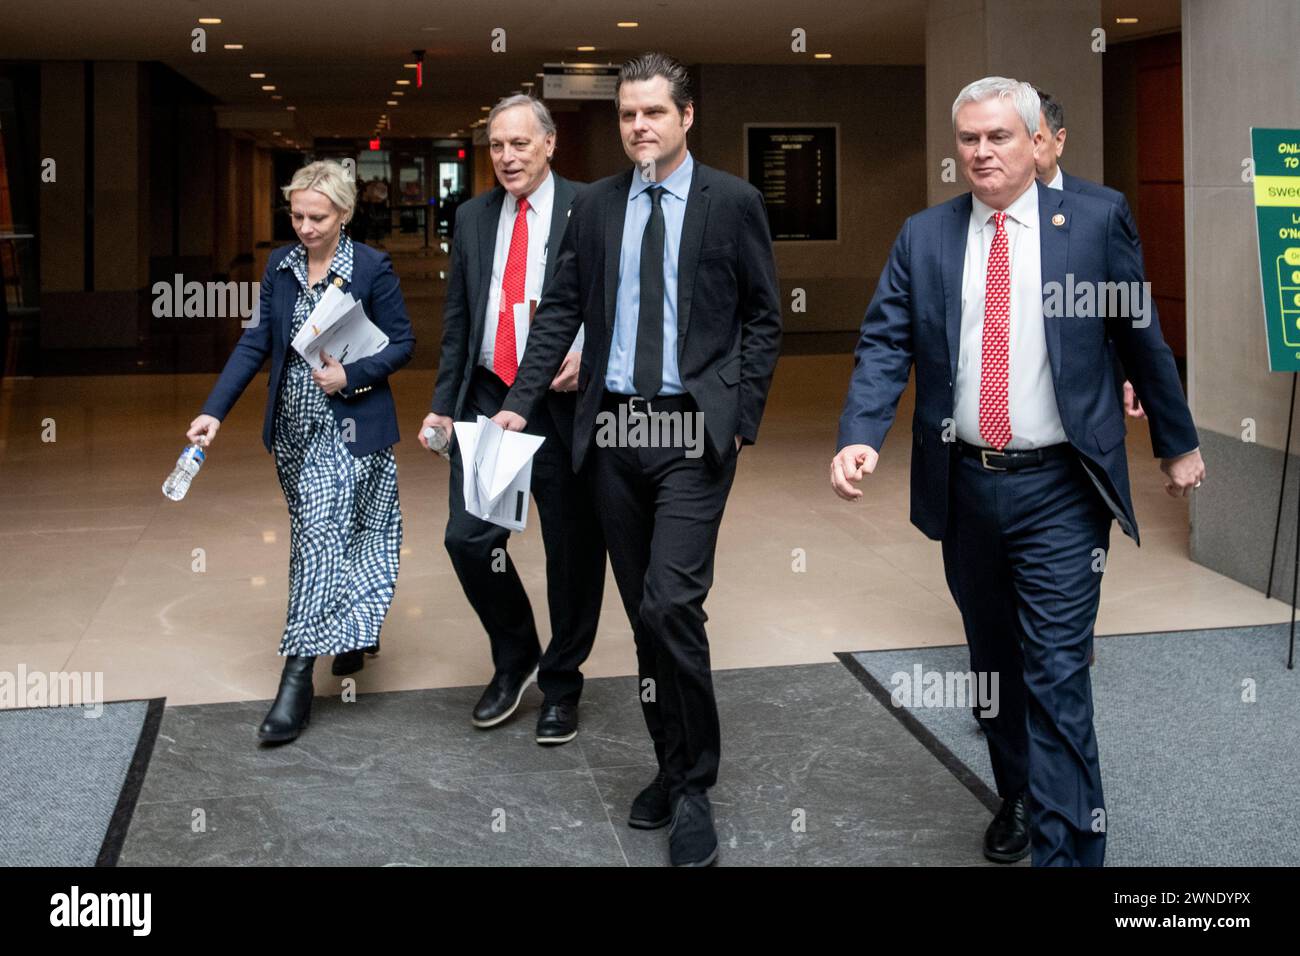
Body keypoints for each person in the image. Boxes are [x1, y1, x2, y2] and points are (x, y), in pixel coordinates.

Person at [831, 78, 1204, 866]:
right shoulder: (925, 236)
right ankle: (1019, 795)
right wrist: (861, 432)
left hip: (1063, 489)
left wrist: (1177, 442)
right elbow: (885, 341)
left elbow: (1141, 337)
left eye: (999, 136)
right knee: (994, 663)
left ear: (1038, 142)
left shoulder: (1095, 223)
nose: (982, 152)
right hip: (965, 485)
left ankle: (1070, 855)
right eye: (969, 139)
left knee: (1058, 672)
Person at [491, 52, 782, 867]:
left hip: (691, 434)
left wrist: (737, 419)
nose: (639, 128)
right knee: (642, 618)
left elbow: (764, 318)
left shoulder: (732, 203)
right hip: (613, 435)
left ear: (687, 117)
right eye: (627, 115)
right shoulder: (596, 208)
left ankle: (696, 786)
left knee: (669, 606)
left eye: (654, 112)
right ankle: (668, 762)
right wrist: (517, 400)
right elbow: (559, 312)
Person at [187, 160, 415, 745]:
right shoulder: (281, 266)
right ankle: (355, 629)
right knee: (334, 532)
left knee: (324, 536)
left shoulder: (370, 267)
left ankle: (296, 680)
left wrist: (354, 376)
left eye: (319, 217)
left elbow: (404, 343)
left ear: (344, 214)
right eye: (297, 215)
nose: (306, 227)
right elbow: (256, 341)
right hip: (294, 432)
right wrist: (214, 410)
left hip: (350, 428)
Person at [420, 95, 606, 745]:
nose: (507, 157)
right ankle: (516, 652)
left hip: (562, 406)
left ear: (550, 144)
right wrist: (443, 405)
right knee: (469, 539)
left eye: (520, 144)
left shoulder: (593, 207)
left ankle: (562, 682)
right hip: (486, 400)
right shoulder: (471, 217)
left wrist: (593, 355)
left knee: (571, 551)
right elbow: (458, 324)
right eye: (497, 145)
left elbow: (620, 302)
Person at [1034, 87, 1146, 419]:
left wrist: (1136, 372)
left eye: (1036, 138)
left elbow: (1128, 300)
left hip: (1090, 393)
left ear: (1059, 140)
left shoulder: (1104, 207)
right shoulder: (987, 212)